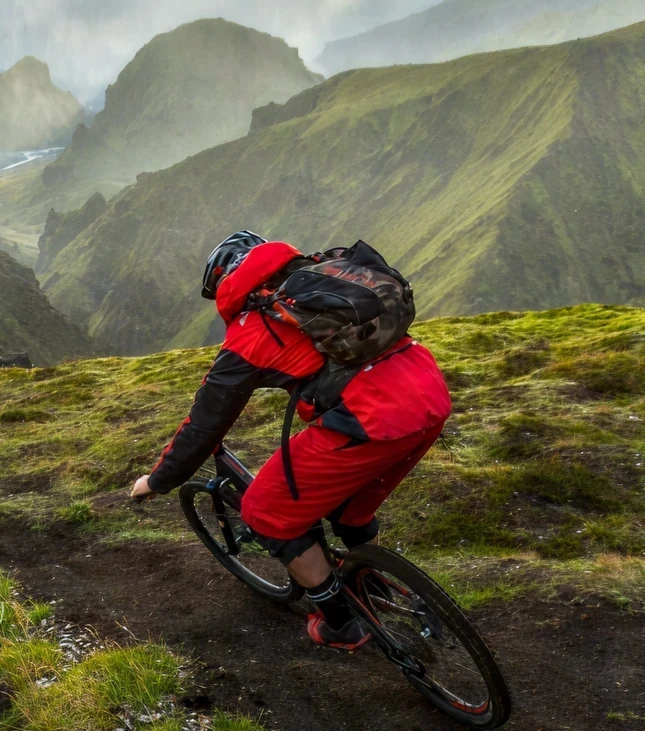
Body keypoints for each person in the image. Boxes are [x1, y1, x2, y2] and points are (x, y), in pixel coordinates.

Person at [130, 231, 452, 650]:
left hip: (370, 419)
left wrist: (157, 481)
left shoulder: (256, 326)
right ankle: (372, 582)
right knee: (347, 510)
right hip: (427, 395)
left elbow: (204, 425)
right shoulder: (321, 280)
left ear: (226, 283)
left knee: (266, 512)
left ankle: (340, 623)